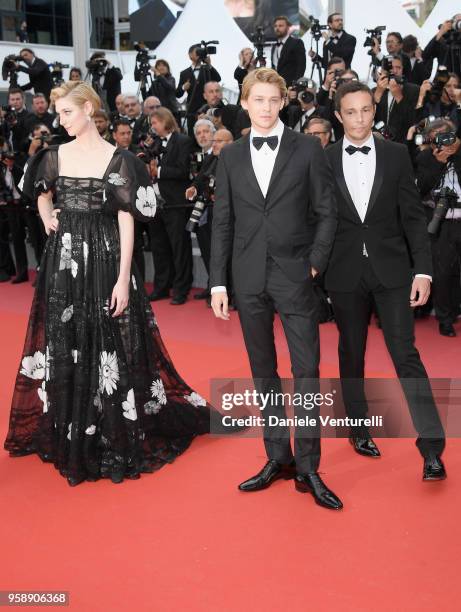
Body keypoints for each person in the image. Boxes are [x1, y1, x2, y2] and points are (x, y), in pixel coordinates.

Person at [4, 81, 215, 486]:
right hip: (64, 262)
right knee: (66, 338)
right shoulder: (54, 155)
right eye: (58, 113)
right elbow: (41, 193)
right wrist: (48, 214)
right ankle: (74, 425)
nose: (59, 119)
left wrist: (123, 280)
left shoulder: (119, 160)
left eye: (66, 112)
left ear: (88, 109)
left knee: (108, 340)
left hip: (105, 260)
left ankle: (109, 424)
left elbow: (126, 221)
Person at [210, 68, 342, 510]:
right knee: (263, 370)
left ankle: (308, 466)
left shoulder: (307, 148)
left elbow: (327, 212)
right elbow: (223, 222)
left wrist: (314, 265)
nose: (265, 108)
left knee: (306, 371)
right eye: (257, 100)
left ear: (283, 101)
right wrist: (217, 281)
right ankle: (277, 457)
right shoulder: (229, 156)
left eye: (273, 100)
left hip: (295, 274)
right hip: (247, 278)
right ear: (244, 103)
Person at [324, 80, 446, 481]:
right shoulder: (323, 160)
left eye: (365, 110)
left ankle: (431, 447)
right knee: (351, 354)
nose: (360, 119)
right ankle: (358, 429)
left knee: (406, 355)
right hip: (343, 273)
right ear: (338, 116)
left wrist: (423, 270)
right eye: (351, 112)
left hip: (392, 271)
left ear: (373, 111)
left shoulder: (396, 156)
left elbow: (413, 218)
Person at [415, 119, 461, 337]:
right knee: (442, 273)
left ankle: (455, 309)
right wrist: (438, 163)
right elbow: (421, 188)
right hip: (439, 222)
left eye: (446, 135)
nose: (443, 141)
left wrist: (456, 154)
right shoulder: (425, 157)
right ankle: (445, 318)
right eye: (436, 138)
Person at [147, 108, 194, 305]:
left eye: (155, 122)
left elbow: (183, 170)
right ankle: (162, 287)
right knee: (159, 248)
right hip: (156, 205)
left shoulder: (183, 141)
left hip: (175, 204)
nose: (152, 126)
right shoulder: (155, 143)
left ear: (165, 121)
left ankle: (181, 289)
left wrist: (157, 170)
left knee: (179, 247)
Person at [176, 45, 221, 136]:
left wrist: (209, 65)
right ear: (190, 55)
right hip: (192, 111)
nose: (199, 54)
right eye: (197, 52)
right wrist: (183, 87)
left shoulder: (207, 69)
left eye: (200, 51)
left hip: (208, 109)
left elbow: (218, 78)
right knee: (193, 136)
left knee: (209, 135)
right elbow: (177, 94)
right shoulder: (184, 73)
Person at [271, 16, 306, 86]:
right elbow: (275, 67)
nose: (277, 28)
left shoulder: (297, 42)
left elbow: (301, 66)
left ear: (288, 27)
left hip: (291, 86)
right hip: (277, 86)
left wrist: (295, 85)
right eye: (275, 26)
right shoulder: (274, 46)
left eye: (280, 26)